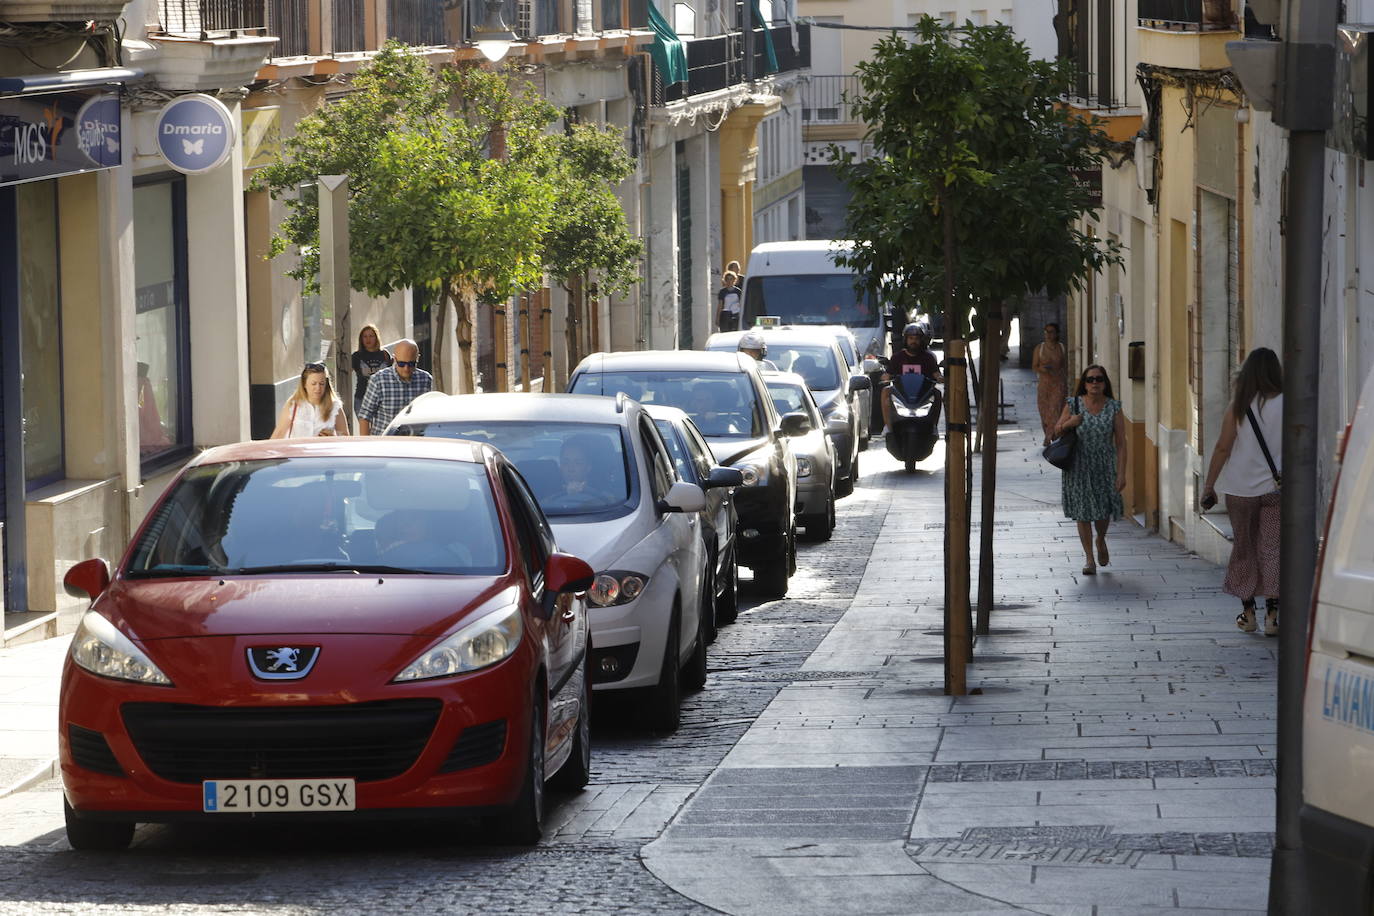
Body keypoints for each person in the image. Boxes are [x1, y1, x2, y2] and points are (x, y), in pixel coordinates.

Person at [1201, 348, 1283, 636]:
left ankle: (1248, 614)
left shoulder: (1239, 406)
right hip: (1276, 489)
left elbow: (1223, 447)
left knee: (1244, 548)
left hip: (1239, 490)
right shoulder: (1288, 404)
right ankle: (1274, 616)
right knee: (1272, 549)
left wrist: (1209, 484)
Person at [1054, 365, 1127, 576]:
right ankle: (1089, 558)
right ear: (1084, 384)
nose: (1095, 383)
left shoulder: (1114, 407)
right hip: (1078, 466)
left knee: (1103, 511)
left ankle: (1101, 539)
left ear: (1105, 383)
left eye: (1099, 379)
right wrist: (1069, 422)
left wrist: (1121, 472)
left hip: (1104, 466)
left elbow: (1121, 443)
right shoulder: (1073, 404)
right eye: (1090, 380)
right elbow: (1055, 433)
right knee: (1083, 512)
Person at [357, 339, 433, 435]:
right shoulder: (379, 380)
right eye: (401, 364)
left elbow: (429, 415)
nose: (406, 368)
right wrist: (367, 446)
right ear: (394, 359)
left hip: (414, 442)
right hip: (385, 444)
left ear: (417, 359)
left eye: (411, 364)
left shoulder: (425, 380)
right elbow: (365, 416)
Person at [881, 322, 943, 431]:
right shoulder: (897, 357)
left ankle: (933, 426)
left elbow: (936, 374)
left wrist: (940, 378)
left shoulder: (928, 358)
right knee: (885, 391)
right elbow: (888, 374)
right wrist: (884, 377)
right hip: (901, 394)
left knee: (937, 393)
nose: (913, 341)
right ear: (905, 340)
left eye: (916, 338)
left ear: (922, 340)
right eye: (910, 338)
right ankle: (888, 427)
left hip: (922, 394)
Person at [270, 362, 350, 439]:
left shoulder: (334, 406)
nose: (318, 388)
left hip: (325, 452)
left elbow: (345, 437)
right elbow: (279, 434)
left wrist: (333, 437)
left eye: (322, 383)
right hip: (300, 452)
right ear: (304, 384)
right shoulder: (293, 404)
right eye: (313, 384)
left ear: (326, 385)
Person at [1032, 323, 1068, 446]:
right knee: (1044, 412)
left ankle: (1050, 437)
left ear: (1057, 333)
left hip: (1058, 384)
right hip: (1044, 385)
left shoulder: (1062, 348)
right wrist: (1043, 369)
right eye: (1046, 331)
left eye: (1051, 331)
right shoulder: (1039, 348)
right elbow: (1034, 366)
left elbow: (1065, 366)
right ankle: (1050, 433)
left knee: (1055, 410)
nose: (1048, 334)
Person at [350, 325, 393, 411]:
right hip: (362, 399)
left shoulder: (384, 354)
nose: (368, 339)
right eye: (365, 336)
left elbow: (391, 375)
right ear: (361, 339)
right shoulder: (356, 356)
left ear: (376, 338)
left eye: (371, 336)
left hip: (383, 399)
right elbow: (345, 374)